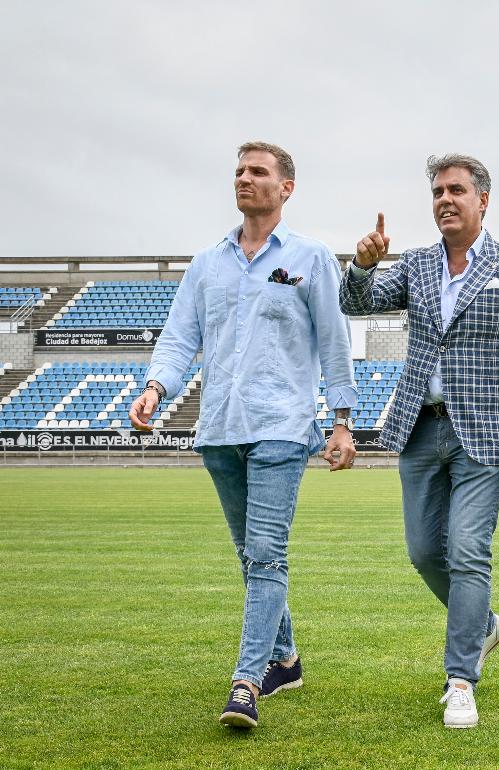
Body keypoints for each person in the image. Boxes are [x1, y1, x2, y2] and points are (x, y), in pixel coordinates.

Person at [128, 140, 358, 729]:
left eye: (258, 172)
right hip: (220, 428)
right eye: (238, 171)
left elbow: (333, 341)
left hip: (282, 427)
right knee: (251, 557)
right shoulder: (208, 263)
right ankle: (284, 657)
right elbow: (181, 336)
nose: (244, 179)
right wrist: (157, 388)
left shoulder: (309, 257)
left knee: (265, 554)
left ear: (287, 188)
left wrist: (342, 419)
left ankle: (246, 683)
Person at [340, 153, 499, 729]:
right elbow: (356, 304)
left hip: (484, 434)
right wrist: (362, 267)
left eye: (456, 190)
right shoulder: (414, 265)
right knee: (423, 552)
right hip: (419, 426)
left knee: (466, 551)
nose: (445, 200)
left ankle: (461, 678)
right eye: (437, 192)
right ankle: (484, 626)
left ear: (483, 200)